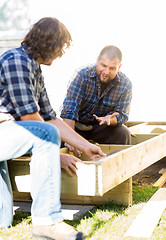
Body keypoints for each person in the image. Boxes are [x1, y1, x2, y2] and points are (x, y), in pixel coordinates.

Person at [0, 17, 105, 240]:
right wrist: (56, 155)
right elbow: (31, 119)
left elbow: (51, 118)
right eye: (60, 49)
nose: (60, 55)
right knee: (47, 134)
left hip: (6, 140)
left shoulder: (34, 69)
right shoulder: (15, 60)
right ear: (49, 44)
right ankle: (47, 221)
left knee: (3, 221)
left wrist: (86, 147)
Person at [60, 45, 132, 153]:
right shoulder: (82, 75)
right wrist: (70, 138)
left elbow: (122, 115)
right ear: (97, 60)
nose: (106, 72)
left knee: (123, 133)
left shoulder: (125, 84)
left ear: (119, 67)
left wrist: (110, 120)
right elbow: (70, 109)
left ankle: (117, 167)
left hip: (100, 127)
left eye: (112, 68)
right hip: (77, 126)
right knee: (58, 139)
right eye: (103, 65)